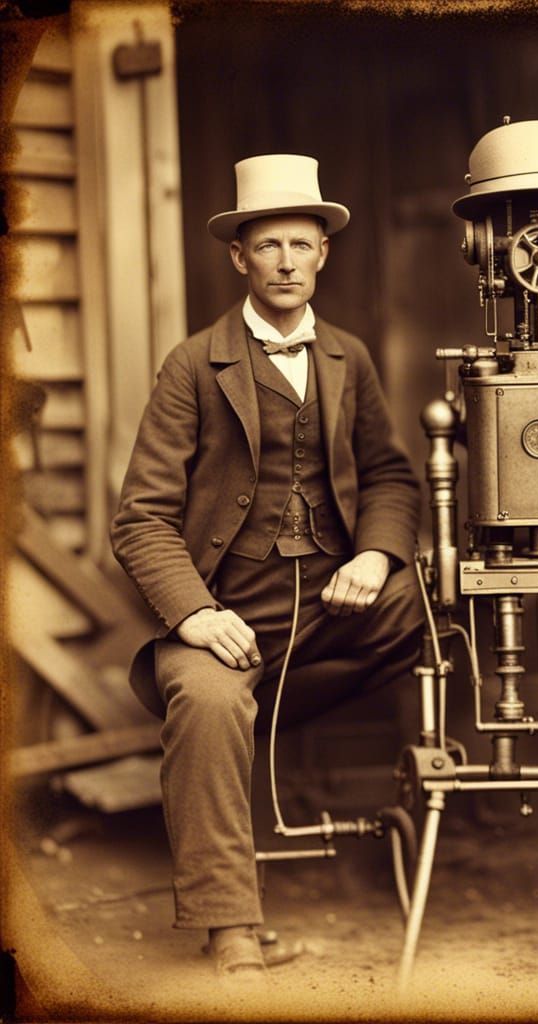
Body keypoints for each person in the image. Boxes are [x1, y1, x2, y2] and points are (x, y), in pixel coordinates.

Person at [111, 154, 423, 978]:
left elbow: (391, 476)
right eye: (268, 245)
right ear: (238, 257)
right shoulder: (193, 364)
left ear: (324, 253)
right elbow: (140, 517)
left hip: (333, 610)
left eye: (301, 244)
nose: (287, 262)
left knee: (443, 606)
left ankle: (443, 838)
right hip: (227, 617)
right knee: (209, 703)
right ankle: (232, 928)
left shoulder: (349, 357)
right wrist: (194, 614)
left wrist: (376, 554)